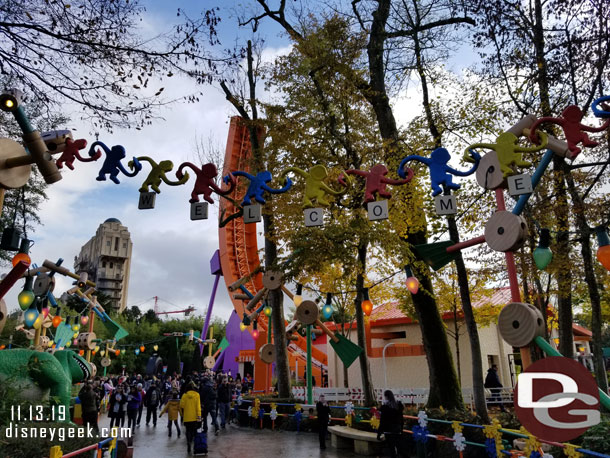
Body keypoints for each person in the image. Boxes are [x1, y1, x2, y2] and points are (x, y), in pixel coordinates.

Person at [377, 390, 404, 458]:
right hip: (397, 429)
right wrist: (401, 428)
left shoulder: (385, 407)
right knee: (400, 448)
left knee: (391, 449)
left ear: (386, 397)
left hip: (388, 430)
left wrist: (379, 432)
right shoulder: (398, 405)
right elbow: (401, 419)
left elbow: (382, 421)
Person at [180, 382, 202, 455]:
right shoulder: (197, 395)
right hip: (195, 417)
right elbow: (198, 407)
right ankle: (194, 445)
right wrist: (199, 417)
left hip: (187, 417)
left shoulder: (184, 395)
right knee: (194, 431)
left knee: (188, 430)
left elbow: (181, 405)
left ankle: (188, 442)